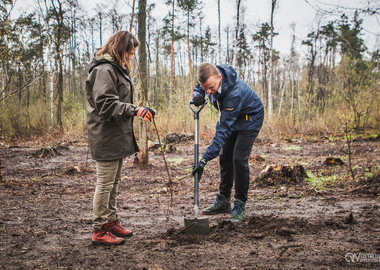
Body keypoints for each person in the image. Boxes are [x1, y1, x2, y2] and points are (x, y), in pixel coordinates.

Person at [86, 31, 155, 245]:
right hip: (105, 135)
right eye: (130, 52)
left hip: (116, 135)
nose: (132, 56)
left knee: (114, 182)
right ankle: (99, 230)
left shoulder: (116, 69)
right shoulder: (104, 70)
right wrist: (134, 110)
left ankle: (111, 221)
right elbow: (105, 104)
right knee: (105, 184)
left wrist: (135, 110)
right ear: (120, 49)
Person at [191, 63, 264, 223]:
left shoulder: (234, 94)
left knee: (238, 158)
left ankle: (239, 204)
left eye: (211, 87)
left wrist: (204, 160)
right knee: (224, 156)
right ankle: (223, 200)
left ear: (220, 78)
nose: (209, 92)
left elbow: (222, 132)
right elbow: (200, 83)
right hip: (233, 117)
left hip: (249, 118)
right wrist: (198, 92)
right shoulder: (210, 73)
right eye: (206, 89)